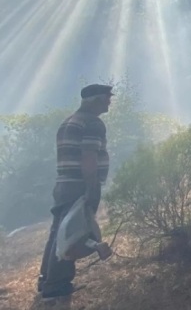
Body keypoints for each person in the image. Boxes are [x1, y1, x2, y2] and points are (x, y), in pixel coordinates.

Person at [38, 84, 115, 305]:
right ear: (95, 100)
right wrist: (91, 188)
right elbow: (89, 157)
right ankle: (57, 285)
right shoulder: (93, 123)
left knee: (58, 232)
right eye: (107, 98)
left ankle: (46, 280)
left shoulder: (68, 122)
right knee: (73, 232)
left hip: (63, 184)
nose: (109, 102)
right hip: (79, 185)